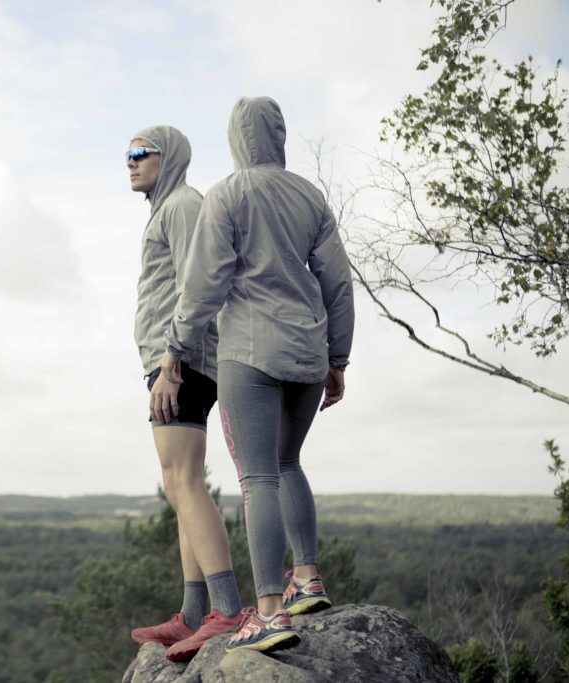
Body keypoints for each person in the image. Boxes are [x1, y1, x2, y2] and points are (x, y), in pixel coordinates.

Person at [161, 97, 354, 654]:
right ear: (279, 136)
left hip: (249, 352)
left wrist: (177, 348)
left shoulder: (228, 193)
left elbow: (204, 283)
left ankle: (269, 612)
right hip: (308, 354)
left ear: (235, 139)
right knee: (289, 462)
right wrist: (338, 359)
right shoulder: (310, 197)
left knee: (258, 478)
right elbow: (338, 284)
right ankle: (307, 577)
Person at [125, 125, 248, 663]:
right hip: (175, 361)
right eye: (127, 155)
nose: (130, 162)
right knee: (178, 485)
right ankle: (194, 613)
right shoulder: (169, 208)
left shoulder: (180, 205)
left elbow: (198, 285)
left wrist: (170, 365)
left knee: (185, 481)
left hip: (181, 363)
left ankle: (226, 609)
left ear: (168, 156)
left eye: (140, 153)